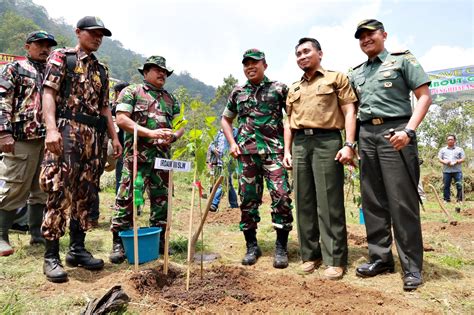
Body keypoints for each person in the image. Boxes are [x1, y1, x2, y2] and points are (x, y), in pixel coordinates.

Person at [349, 19, 432, 291]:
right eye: (361, 36)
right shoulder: (356, 72)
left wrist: (408, 131)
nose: (365, 39)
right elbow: (351, 109)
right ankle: (380, 258)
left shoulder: (402, 61)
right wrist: (351, 143)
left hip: (396, 133)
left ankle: (411, 267)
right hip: (366, 136)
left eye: (370, 34)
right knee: (373, 200)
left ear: (383, 35)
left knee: (401, 202)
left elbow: (424, 97)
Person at [40, 16, 122, 283]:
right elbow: (49, 93)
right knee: (59, 190)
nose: (98, 38)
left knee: (87, 193)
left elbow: (105, 108)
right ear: (78, 32)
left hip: (94, 137)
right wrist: (51, 129)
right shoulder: (62, 58)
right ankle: (51, 256)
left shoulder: (102, 70)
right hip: (66, 130)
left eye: (101, 34)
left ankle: (77, 249)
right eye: (93, 33)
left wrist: (114, 137)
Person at [283, 37, 357, 280]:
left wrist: (348, 144)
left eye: (306, 51)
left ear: (320, 54)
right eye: (298, 54)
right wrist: (287, 151)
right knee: (303, 201)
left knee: (328, 201)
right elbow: (288, 123)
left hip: (328, 141)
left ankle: (334, 259)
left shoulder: (336, 78)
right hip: (301, 144)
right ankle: (310, 254)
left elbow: (349, 111)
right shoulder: (293, 88)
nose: (302, 56)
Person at [221, 49, 293, 269]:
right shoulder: (237, 92)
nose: (250, 67)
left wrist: (288, 150)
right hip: (247, 155)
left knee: (281, 197)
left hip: (274, 152)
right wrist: (232, 144)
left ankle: (281, 247)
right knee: (248, 200)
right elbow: (226, 119)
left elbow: (290, 119)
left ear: (265, 65)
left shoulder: (279, 89)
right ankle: (252, 246)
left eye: (254, 63)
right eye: (246, 64)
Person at [109, 56, 184, 264]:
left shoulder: (171, 99)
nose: (162, 74)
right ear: (145, 72)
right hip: (136, 157)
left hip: (162, 160)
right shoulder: (132, 91)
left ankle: (159, 240)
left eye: (164, 72)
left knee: (162, 200)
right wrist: (150, 134)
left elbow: (181, 123)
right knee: (127, 198)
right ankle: (120, 241)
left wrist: (175, 135)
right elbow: (122, 119)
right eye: (157, 70)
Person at [0, 31, 57, 256]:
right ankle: (1, 235)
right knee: (14, 186)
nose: (44, 49)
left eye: (48, 45)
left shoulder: (52, 72)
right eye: (39, 44)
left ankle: (37, 233)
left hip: (48, 139)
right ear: (27, 46)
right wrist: (4, 132)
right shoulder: (13, 68)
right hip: (21, 137)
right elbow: (2, 100)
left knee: (42, 188)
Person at [207, 127, 239, 212]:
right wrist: (214, 149)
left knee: (222, 182)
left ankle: (214, 204)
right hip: (219, 162)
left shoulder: (235, 132)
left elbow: (238, 143)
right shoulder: (219, 132)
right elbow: (212, 144)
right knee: (228, 184)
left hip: (229, 161)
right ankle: (234, 204)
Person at [111, 81, 130, 195]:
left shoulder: (118, 107)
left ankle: (120, 200)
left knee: (121, 175)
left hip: (122, 146)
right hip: (131, 147)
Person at [438, 134, 465, 202]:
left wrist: (456, 162)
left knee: (459, 185)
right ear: (447, 141)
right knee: (446, 186)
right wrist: (445, 162)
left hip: (457, 171)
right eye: (448, 140)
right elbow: (439, 159)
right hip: (446, 171)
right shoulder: (443, 150)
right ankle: (446, 200)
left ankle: (459, 200)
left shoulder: (459, 149)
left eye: (451, 139)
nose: (450, 141)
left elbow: (463, 159)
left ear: (454, 140)